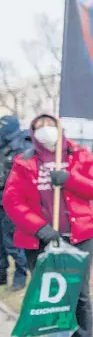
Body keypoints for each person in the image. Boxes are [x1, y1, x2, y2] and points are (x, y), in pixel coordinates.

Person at [2, 114, 93, 337]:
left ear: (60, 128)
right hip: (41, 242)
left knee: (79, 295)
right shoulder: (23, 162)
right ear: (32, 132)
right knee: (49, 296)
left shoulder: (81, 155)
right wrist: (39, 228)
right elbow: (13, 202)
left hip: (79, 237)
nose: (46, 130)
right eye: (40, 126)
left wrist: (70, 179)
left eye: (50, 125)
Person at [0, 115, 32, 292]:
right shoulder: (2, 144)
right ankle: (1, 277)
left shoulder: (22, 146)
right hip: (1, 199)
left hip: (12, 203)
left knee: (12, 242)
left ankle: (20, 277)